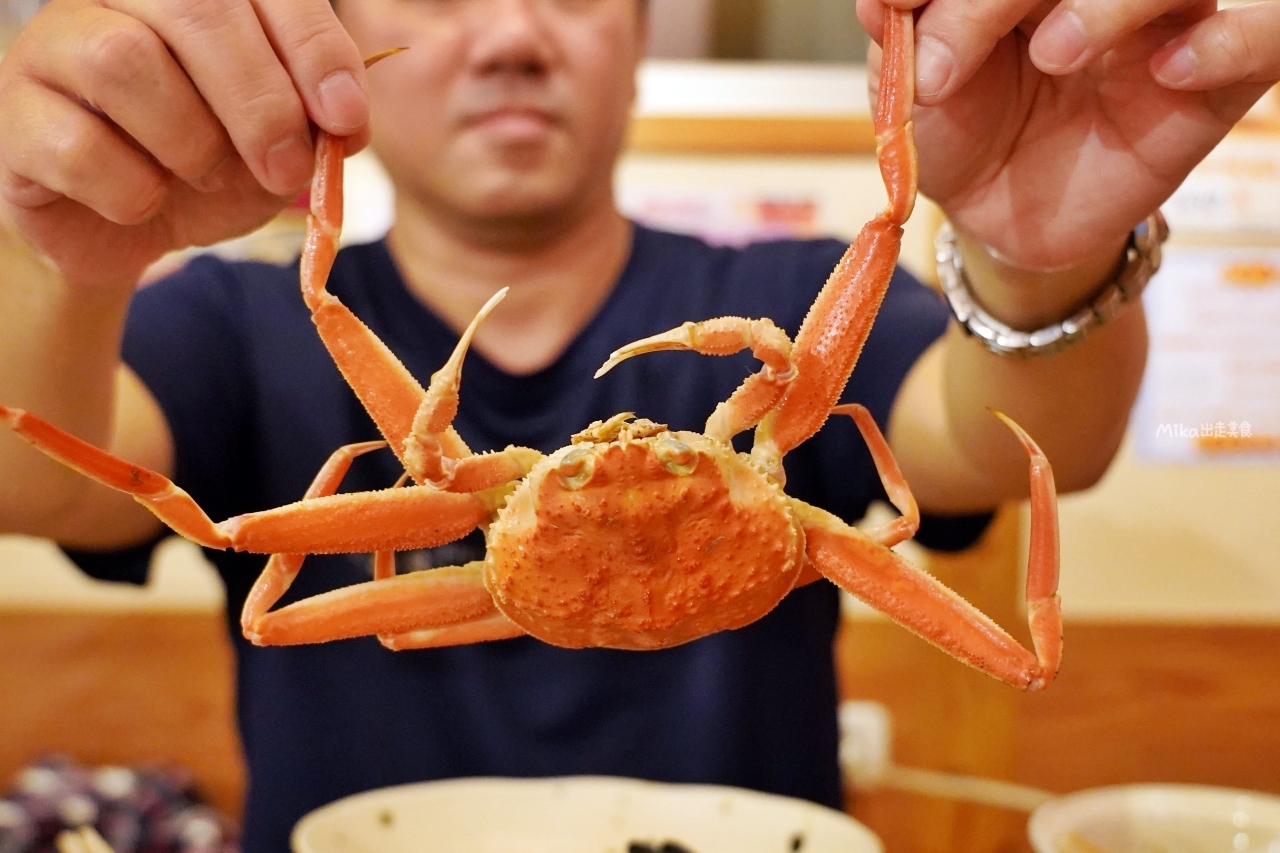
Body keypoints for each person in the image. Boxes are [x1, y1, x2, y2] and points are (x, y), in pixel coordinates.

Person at [1, 0, 1277, 849]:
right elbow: (33, 481)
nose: (508, 31)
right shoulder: (233, 323)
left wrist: (1031, 248)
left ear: (634, 34)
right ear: (330, 40)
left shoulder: (776, 288)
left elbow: (1000, 435)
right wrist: (59, 256)